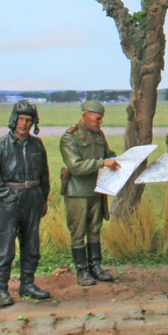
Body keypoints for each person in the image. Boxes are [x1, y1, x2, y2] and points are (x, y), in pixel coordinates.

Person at [0, 100, 51, 307]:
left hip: (33, 199)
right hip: (8, 203)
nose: (24, 124)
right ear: (14, 120)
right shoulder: (0, 145)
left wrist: (43, 199)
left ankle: (27, 284)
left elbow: (44, 175)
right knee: (5, 247)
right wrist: (6, 194)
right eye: (21, 119)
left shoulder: (37, 145)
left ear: (33, 122)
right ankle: (2, 289)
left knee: (31, 245)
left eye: (28, 120)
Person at [60, 100, 120, 286]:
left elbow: (107, 154)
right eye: (97, 119)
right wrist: (102, 163)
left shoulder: (98, 134)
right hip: (78, 193)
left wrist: (119, 160)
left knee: (95, 230)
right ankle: (82, 271)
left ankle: (95, 267)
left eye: (101, 119)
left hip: (96, 190)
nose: (100, 122)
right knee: (78, 232)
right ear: (85, 116)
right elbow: (75, 167)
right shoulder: (70, 137)